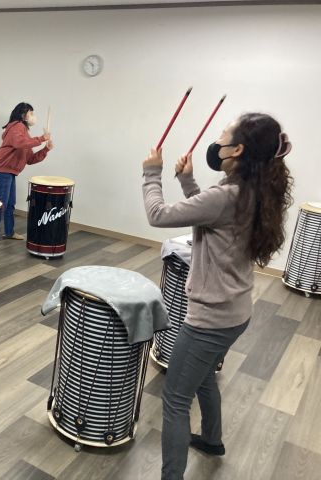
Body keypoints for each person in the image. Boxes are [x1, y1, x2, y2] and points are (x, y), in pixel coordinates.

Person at [142, 113, 293, 480]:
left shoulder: (227, 195)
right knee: (205, 376)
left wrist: (151, 173)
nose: (216, 143)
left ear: (237, 150)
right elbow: (210, 213)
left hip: (210, 320)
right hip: (236, 314)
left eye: (223, 137)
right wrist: (187, 181)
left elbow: (157, 215)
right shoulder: (253, 191)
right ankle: (212, 440)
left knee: (175, 400)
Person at [0, 102, 52, 239]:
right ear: (23, 115)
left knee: (10, 203)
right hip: (3, 168)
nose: (33, 116)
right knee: (2, 203)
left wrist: (46, 149)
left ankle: (9, 232)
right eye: (31, 113)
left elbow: (30, 159)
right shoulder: (17, 126)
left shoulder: (24, 133)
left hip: (9, 170)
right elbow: (19, 143)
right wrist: (41, 138)